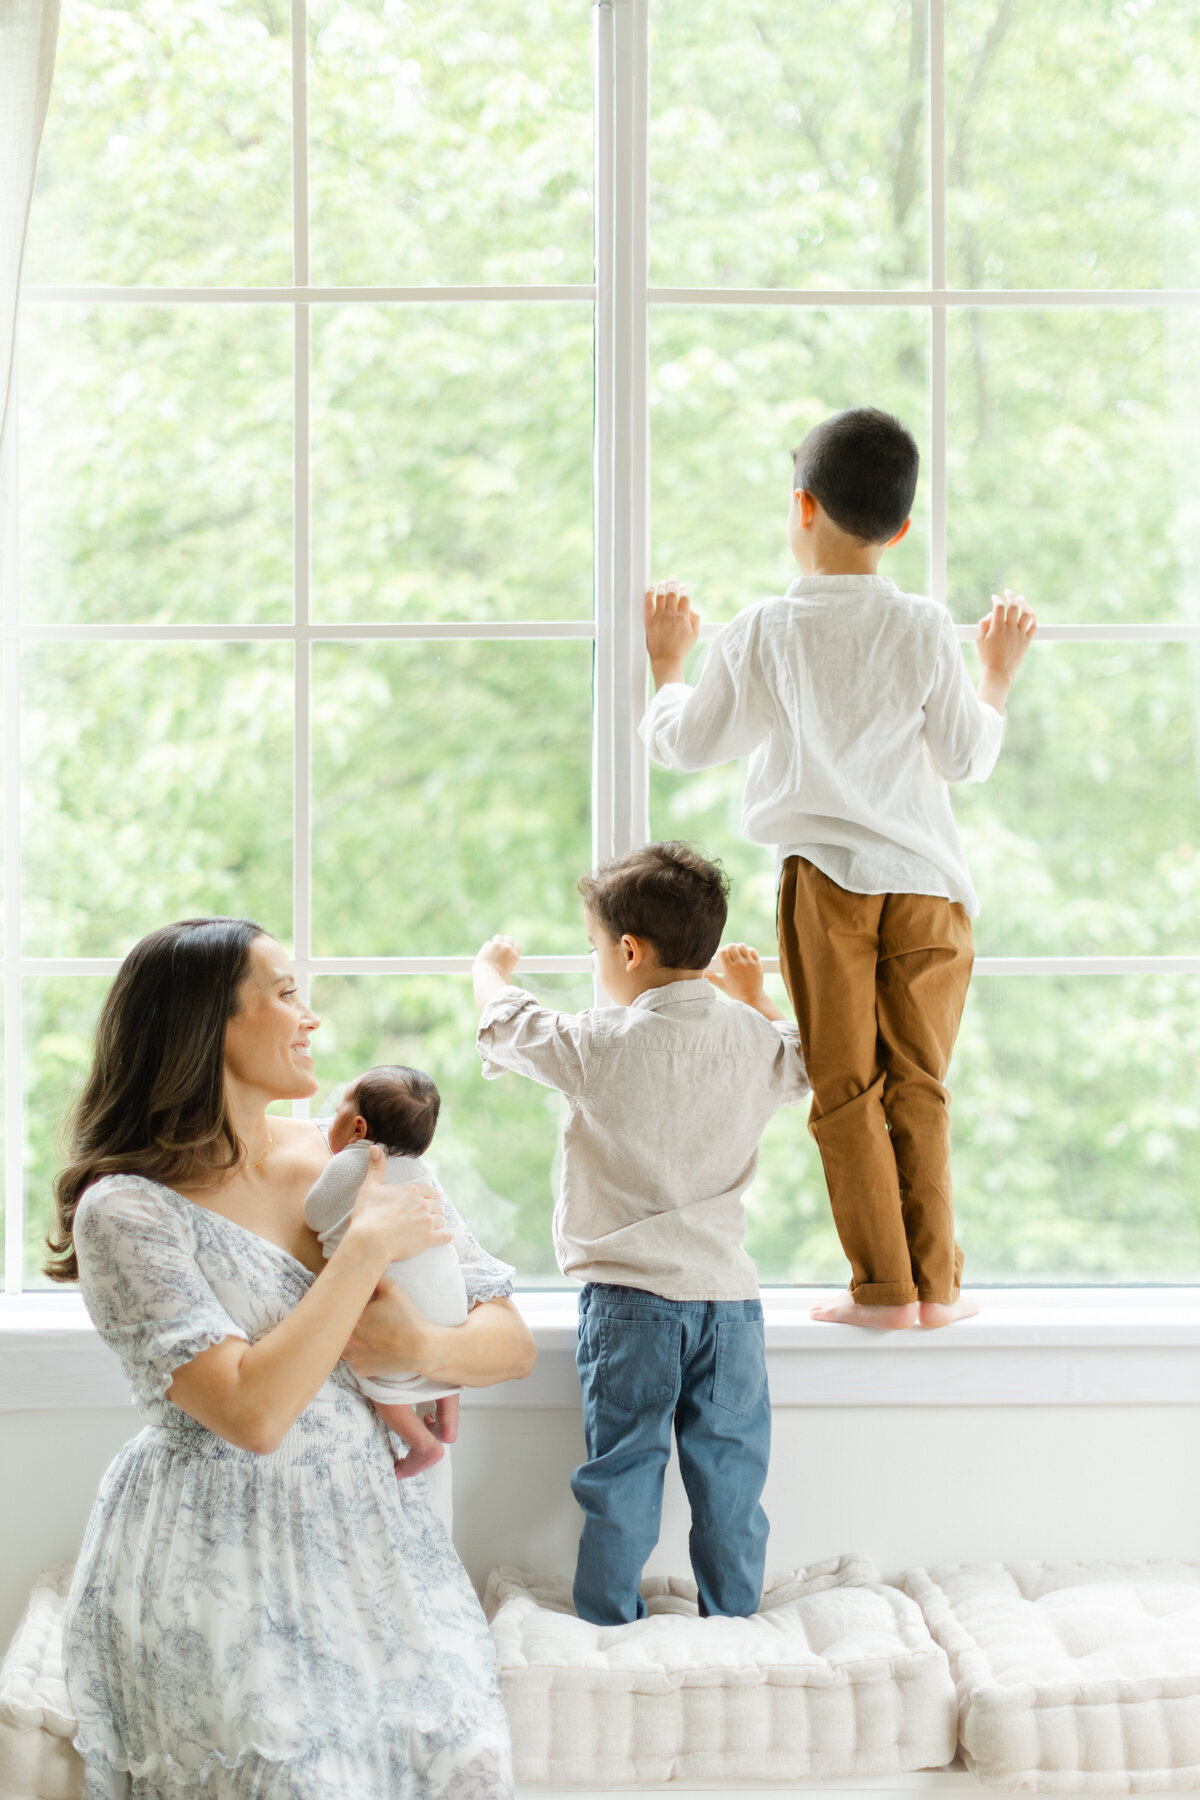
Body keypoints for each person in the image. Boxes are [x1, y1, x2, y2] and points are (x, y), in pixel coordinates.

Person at [45, 916, 535, 1800]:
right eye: (283, 994)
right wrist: (360, 1254)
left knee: (470, 1768)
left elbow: (508, 1343)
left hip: (371, 1537)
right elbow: (250, 1413)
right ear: (207, 1024)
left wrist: (422, 1348)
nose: (310, 1018)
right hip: (217, 1551)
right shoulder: (124, 1211)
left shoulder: (354, 1157)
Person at [639, 406, 1037, 1332]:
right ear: (900, 529)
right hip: (931, 890)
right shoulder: (927, 628)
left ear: (800, 506)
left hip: (826, 884)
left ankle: (883, 1293)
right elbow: (967, 758)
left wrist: (667, 666)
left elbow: (686, 744)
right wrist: (998, 675)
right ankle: (935, 1287)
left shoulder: (764, 630)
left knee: (846, 1090)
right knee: (919, 1087)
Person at [473, 842, 809, 1627]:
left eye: (595, 948)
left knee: (623, 1474)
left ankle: (609, 1632)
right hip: (728, 1305)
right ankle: (734, 1623)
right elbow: (804, 1062)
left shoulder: (601, 1042)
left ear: (629, 950)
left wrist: (488, 968)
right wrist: (755, 995)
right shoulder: (753, 1041)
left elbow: (508, 1023)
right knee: (731, 1479)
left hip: (631, 1306)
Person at [305, 1064, 480, 1480]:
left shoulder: (355, 1161)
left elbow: (315, 1213)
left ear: (357, 1127)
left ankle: (422, 1444)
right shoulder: (422, 1171)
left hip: (397, 1315)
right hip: (451, 1310)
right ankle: (448, 1419)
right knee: (444, 1364)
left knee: (378, 1381)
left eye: (338, 1110)